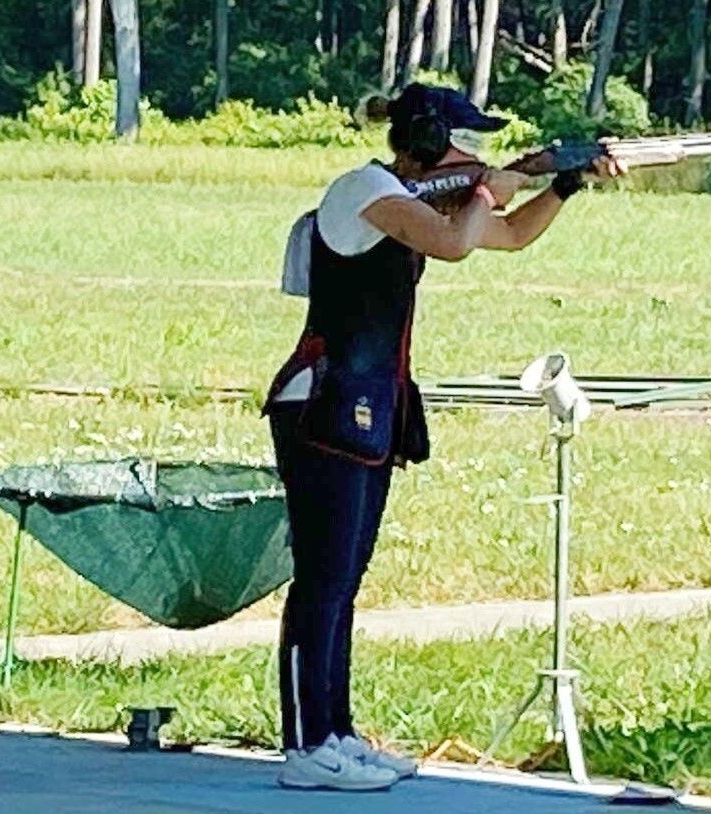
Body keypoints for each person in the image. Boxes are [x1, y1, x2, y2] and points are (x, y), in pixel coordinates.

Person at [264, 83, 625, 792]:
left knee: (347, 581)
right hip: (322, 399)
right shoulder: (363, 190)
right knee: (322, 580)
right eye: (465, 143)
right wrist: (492, 186)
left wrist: (567, 182)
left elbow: (513, 235)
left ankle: (336, 733)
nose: (475, 156)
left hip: (367, 402)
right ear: (429, 141)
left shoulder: (420, 198)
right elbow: (458, 244)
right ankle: (307, 748)